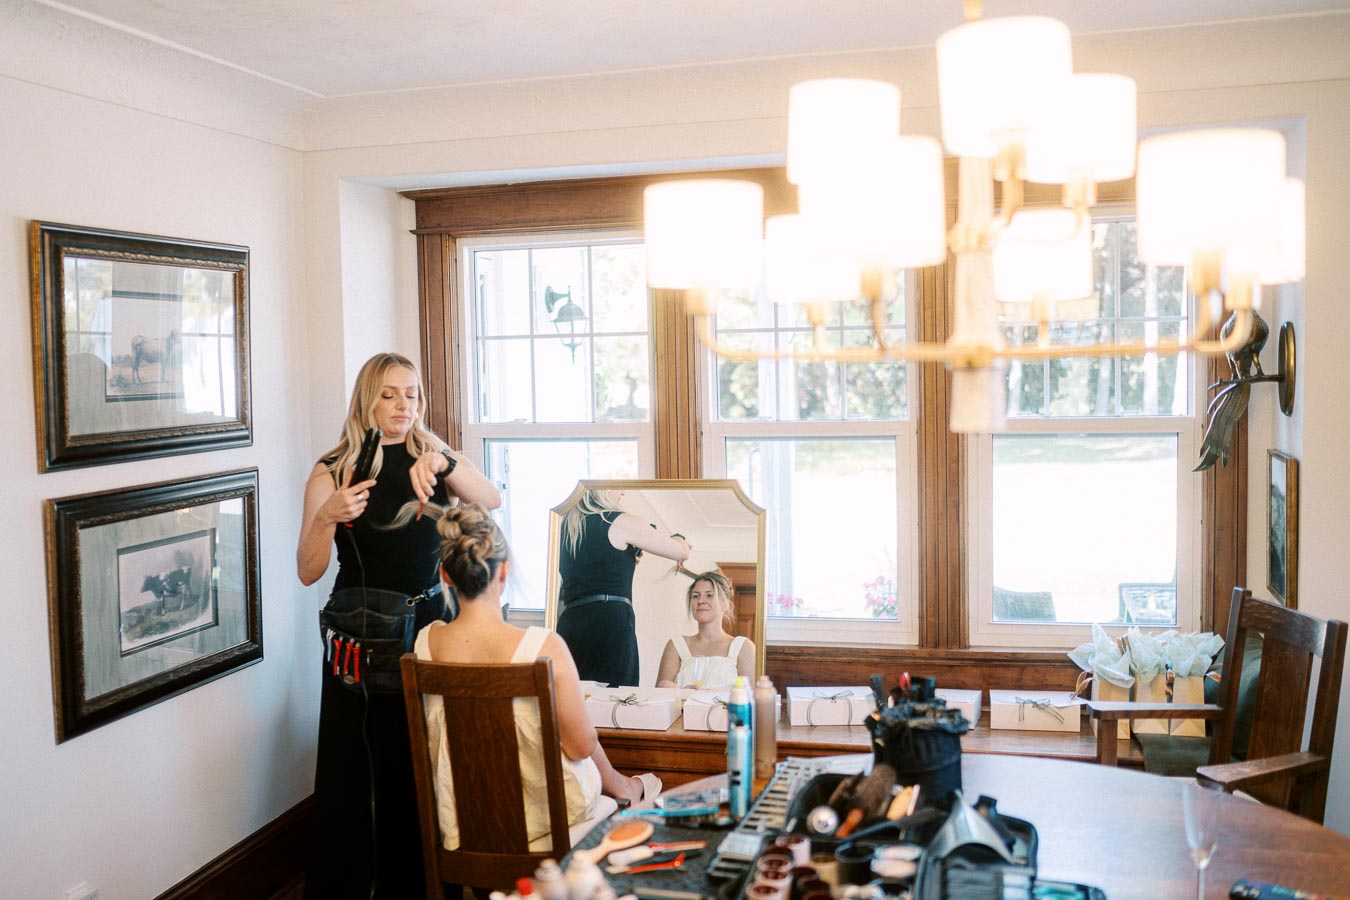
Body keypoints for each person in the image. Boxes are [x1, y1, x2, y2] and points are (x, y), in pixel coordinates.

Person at [296, 351, 500, 899]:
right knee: (357, 764)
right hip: (359, 635)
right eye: (389, 394)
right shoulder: (332, 470)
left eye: (411, 393)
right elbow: (307, 569)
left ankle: (424, 884)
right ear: (368, 399)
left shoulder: (433, 457)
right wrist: (326, 516)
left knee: (422, 759)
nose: (403, 404)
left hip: (428, 629)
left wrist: (445, 465)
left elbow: (493, 498)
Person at [405, 500, 661, 851]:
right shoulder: (545, 645)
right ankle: (626, 792)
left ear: (446, 575)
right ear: (504, 572)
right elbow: (581, 746)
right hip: (541, 826)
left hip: (461, 823)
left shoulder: (426, 641)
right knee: (604, 783)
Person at [557, 490, 692, 686]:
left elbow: (595, 571)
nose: (623, 491)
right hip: (609, 620)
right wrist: (680, 538)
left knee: (577, 694)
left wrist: (625, 561)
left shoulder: (567, 527)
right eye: (618, 486)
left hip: (571, 622)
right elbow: (681, 551)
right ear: (601, 487)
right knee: (615, 698)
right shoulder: (619, 521)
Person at [654, 571, 756, 690]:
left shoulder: (744, 647)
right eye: (696, 596)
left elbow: (750, 700)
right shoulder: (676, 645)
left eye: (709, 595)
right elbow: (659, 697)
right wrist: (681, 694)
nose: (701, 601)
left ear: (725, 604)